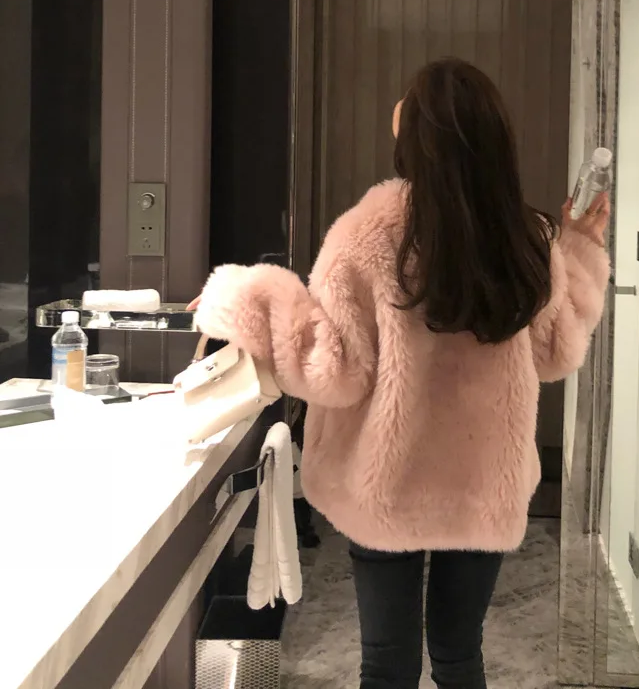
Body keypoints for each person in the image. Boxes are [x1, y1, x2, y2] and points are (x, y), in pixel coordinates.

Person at [193, 58, 610, 689]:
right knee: (460, 656)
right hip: (482, 482)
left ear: (414, 130)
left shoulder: (368, 232)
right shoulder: (525, 238)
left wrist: (243, 298)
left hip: (385, 480)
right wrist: (579, 243)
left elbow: (332, 367)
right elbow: (556, 352)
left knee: (386, 665)